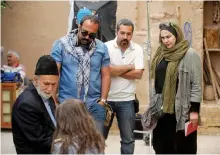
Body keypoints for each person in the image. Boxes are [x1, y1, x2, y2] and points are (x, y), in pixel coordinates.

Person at [51, 15, 111, 135]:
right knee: (67, 145)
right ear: (79, 26)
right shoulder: (61, 44)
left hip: (94, 104)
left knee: (95, 146)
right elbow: (54, 74)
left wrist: (103, 101)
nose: (87, 37)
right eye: (84, 33)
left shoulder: (101, 48)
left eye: (92, 35)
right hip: (67, 104)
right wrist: (54, 101)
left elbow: (106, 75)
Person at [150, 22, 202, 154]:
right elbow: (156, 82)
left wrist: (194, 111)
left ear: (177, 35)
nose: (166, 41)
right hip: (162, 111)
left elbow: (196, 84)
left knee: (183, 147)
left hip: (181, 111)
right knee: (162, 147)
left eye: (169, 37)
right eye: (163, 38)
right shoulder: (160, 53)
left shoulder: (190, 54)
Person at [104, 19, 144, 154]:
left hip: (127, 101)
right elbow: (104, 71)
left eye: (129, 34)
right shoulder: (106, 47)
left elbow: (138, 74)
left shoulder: (137, 49)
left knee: (128, 139)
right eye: (122, 33)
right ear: (116, 32)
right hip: (106, 100)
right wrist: (128, 67)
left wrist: (113, 70)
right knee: (99, 138)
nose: (125, 37)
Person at [12, 55, 59, 154]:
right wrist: (68, 142)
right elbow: (40, 142)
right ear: (35, 80)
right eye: (46, 84)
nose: (50, 89)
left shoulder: (44, 93)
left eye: (54, 84)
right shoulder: (26, 105)